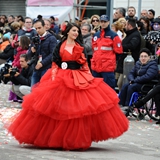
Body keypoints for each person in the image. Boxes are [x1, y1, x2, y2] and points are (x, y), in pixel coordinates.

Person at [7, 22, 129, 150]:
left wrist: (88, 77)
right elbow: (55, 62)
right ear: (68, 32)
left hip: (77, 76)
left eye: (77, 31)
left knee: (76, 109)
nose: (76, 33)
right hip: (60, 75)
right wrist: (54, 76)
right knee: (56, 108)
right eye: (74, 31)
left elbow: (84, 64)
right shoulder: (60, 44)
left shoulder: (79, 46)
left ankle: (73, 138)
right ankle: (53, 136)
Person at [119, 48, 159, 114]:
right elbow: (131, 73)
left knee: (131, 87)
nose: (143, 58)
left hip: (147, 85)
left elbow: (148, 76)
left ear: (149, 57)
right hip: (137, 83)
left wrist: (135, 80)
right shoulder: (138, 63)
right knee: (125, 86)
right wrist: (132, 80)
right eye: (141, 56)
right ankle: (121, 104)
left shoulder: (153, 64)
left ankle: (128, 107)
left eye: (145, 56)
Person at [91, 15, 123, 89]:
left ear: (108, 22)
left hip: (107, 68)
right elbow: (94, 50)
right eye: (101, 21)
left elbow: (119, 52)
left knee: (109, 89)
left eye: (105, 22)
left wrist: (112, 62)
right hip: (96, 67)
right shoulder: (96, 35)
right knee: (96, 89)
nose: (103, 23)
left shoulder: (113, 35)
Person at [28, 19, 57, 86]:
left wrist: (42, 63)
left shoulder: (51, 38)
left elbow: (53, 54)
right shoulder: (35, 38)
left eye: (39, 28)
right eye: (36, 28)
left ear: (44, 27)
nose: (37, 30)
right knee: (33, 91)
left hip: (47, 68)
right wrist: (32, 51)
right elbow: (29, 54)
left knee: (44, 91)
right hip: (36, 68)